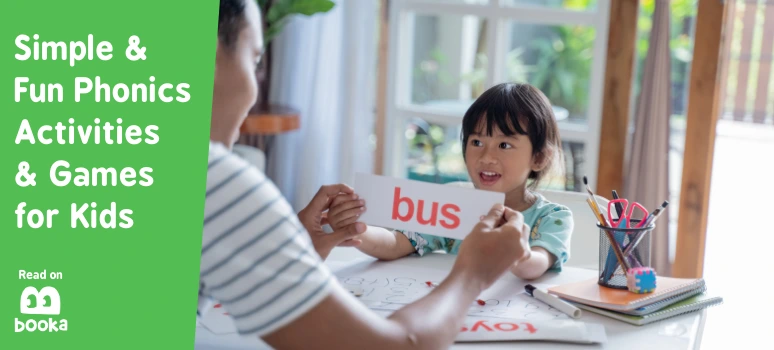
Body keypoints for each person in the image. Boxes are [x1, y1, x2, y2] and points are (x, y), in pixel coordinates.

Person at [198, 0, 532, 348]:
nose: (254, 86)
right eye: (253, 60)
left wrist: (290, 249)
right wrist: (472, 275)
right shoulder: (217, 184)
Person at [327, 83, 574, 280]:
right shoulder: (452, 206)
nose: (487, 157)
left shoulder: (552, 218)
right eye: (476, 142)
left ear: (539, 158)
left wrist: (519, 256)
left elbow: (538, 264)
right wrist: (359, 230)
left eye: (504, 145)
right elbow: (396, 243)